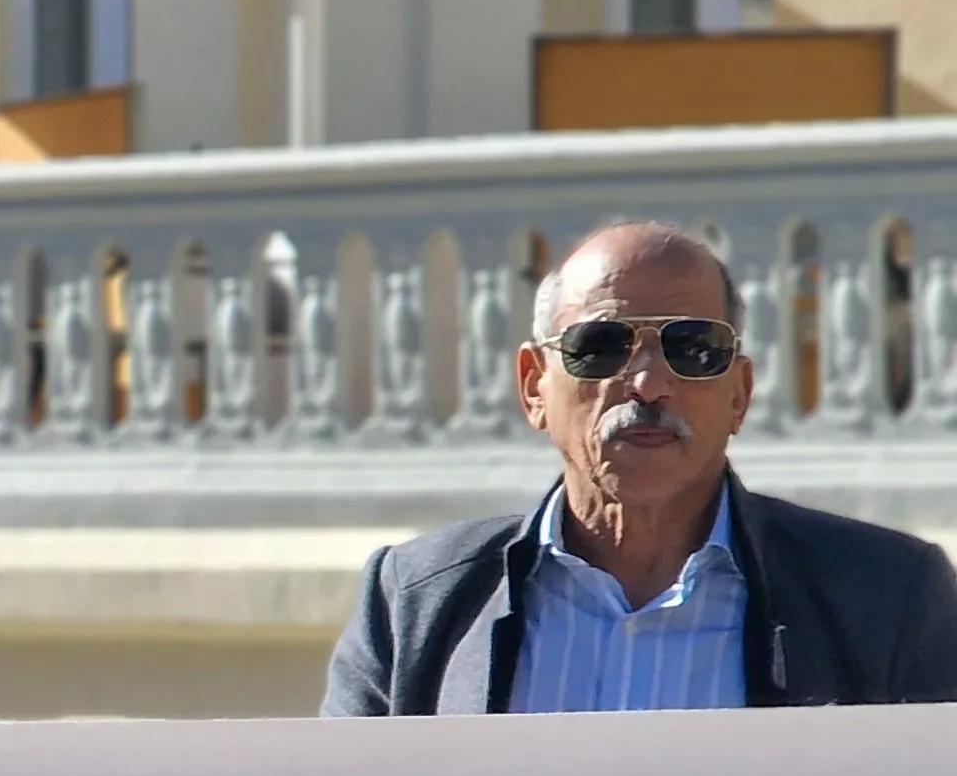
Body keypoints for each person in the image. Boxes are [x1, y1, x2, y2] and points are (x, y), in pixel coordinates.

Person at [326, 220, 957, 714]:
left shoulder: (889, 598)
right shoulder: (412, 603)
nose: (649, 384)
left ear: (739, 393)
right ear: (533, 388)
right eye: (599, 347)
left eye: (693, 349)